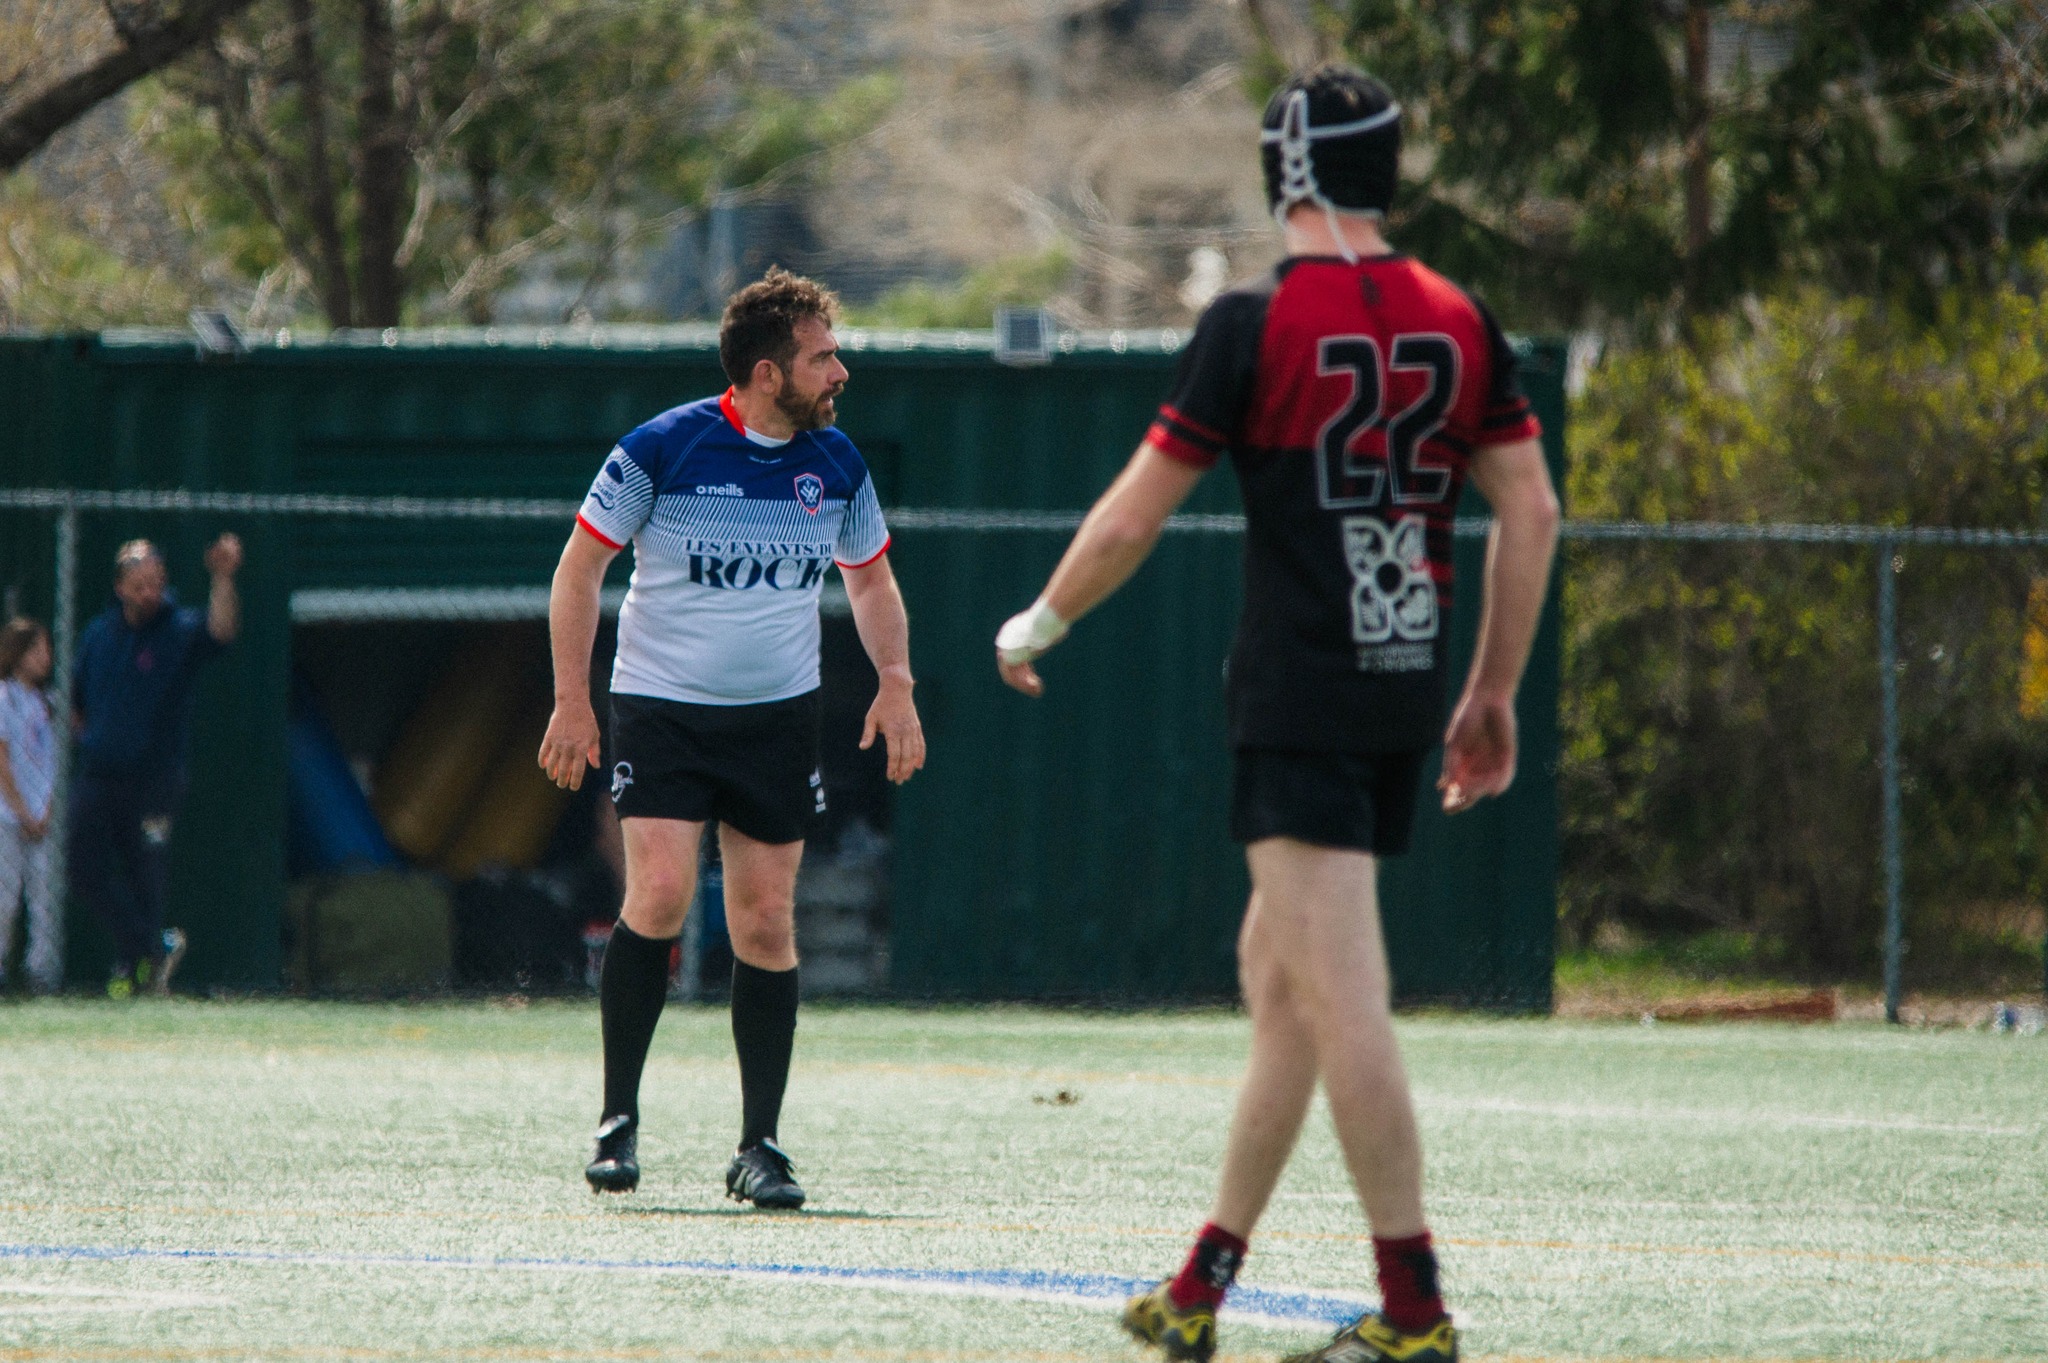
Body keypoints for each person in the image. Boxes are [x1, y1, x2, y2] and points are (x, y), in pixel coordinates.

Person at [995, 65, 1560, 1363]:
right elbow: (1529, 507)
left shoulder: (1255, 325)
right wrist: (1492, 689)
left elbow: (1136, 512)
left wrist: (1038, 621)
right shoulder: (1461, 316)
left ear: (1285, 175)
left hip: (1301, 689)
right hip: (1407, 675)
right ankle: (1202, 1280)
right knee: (1284, 984)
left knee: (1343, 995)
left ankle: (1413, 1307)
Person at [540, 267, 925, 1210]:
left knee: (763, 919)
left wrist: (898, 686)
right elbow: (580, 568)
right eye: (822, 357)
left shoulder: (837, 466)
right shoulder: (661, 448)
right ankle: (617, 1119)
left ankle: (760, 1146)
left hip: (777, 717)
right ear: (766, 371)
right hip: (661, 710)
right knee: (662, 893)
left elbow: (870, 582)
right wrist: (572, 701)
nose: (839, 372)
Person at [72, 534, 243, 999]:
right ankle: (152, 948)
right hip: (99, 775)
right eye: (139, 585)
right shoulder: (99, 634)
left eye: (156, 584)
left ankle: (137, 973)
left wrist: (223, 577)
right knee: (82, 869)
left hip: (154, 781)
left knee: (145, 875)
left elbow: (222, 630)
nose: (150, 593)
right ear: (121, 587)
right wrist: (92, 738)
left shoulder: (179, 631)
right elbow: (77, 702)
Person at [0, 617, 61, 993]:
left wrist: (46, 810)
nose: (45, 658)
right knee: (5, 897)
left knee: (45, 901)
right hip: (8, 817)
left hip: (44, 818)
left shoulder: (50, 703)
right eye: (37, 650)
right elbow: (2, 759)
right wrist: (22, 811)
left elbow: (57, 763)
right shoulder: (5, 697)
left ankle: (41, 974)